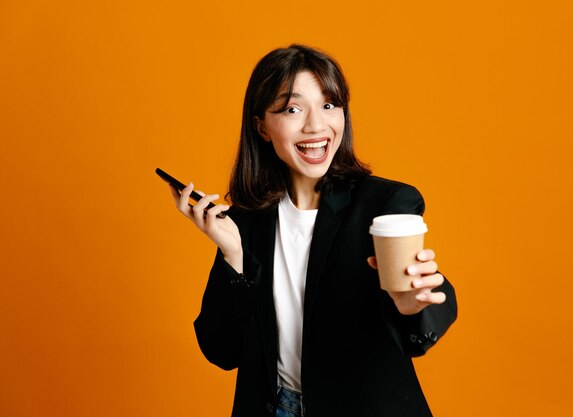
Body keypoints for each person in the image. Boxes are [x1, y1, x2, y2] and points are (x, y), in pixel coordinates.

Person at [168, 44, 457, 417]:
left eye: (328, 105)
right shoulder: (246, 220)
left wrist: (410, 304)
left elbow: (427, 292)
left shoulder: (386, 202)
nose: (316, 126)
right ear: (262, 128)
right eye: (292, 109)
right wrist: (233, 255)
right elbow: (221, 351)